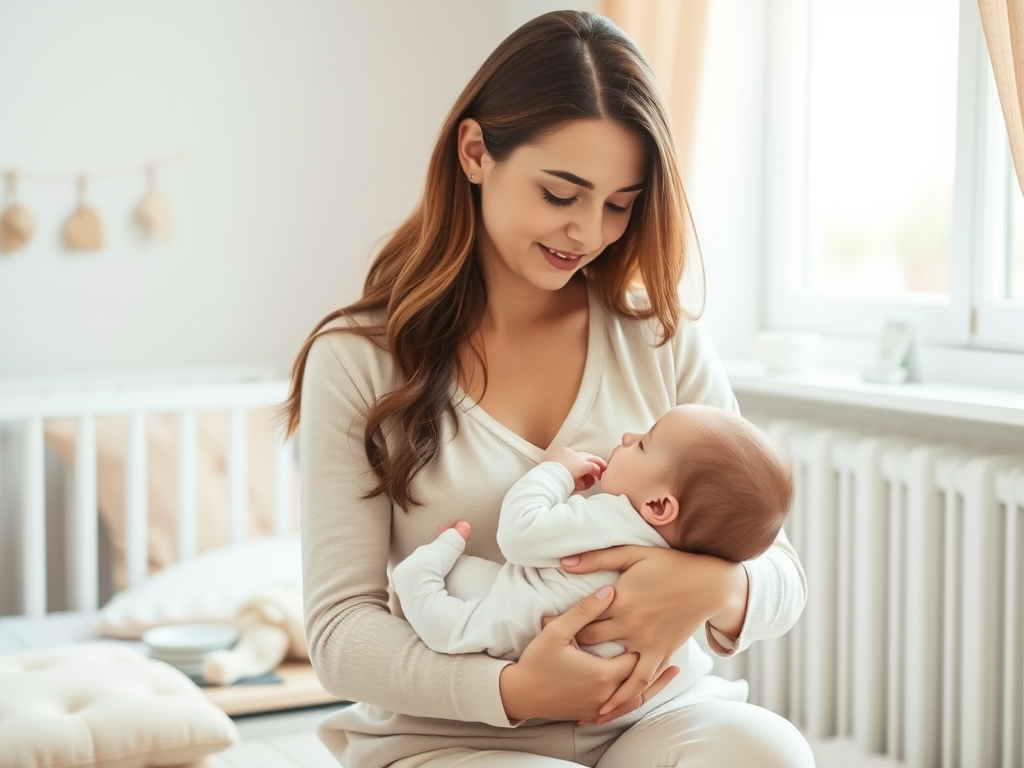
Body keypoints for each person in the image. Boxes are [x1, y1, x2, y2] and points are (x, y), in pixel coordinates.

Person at [285, 9, 815, 768]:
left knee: (768, 753)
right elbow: (340, 632)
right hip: (455, 734)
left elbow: (781, 573)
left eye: (619, 204)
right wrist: (512, 691)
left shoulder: (661, 337)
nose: (589, 234)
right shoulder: (358, 360)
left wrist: (708, 589)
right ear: (476, 152)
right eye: (561, 195)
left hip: (653, 714)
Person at [391, 404, 794, 662]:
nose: (628, 437)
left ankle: (413, 580)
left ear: (658, 506)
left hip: (521, 624)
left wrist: (556, 473)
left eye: (643, 445)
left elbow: (519, 534)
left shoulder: (614, 519)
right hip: (607, 667)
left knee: (457, 618)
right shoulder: (687, 551)